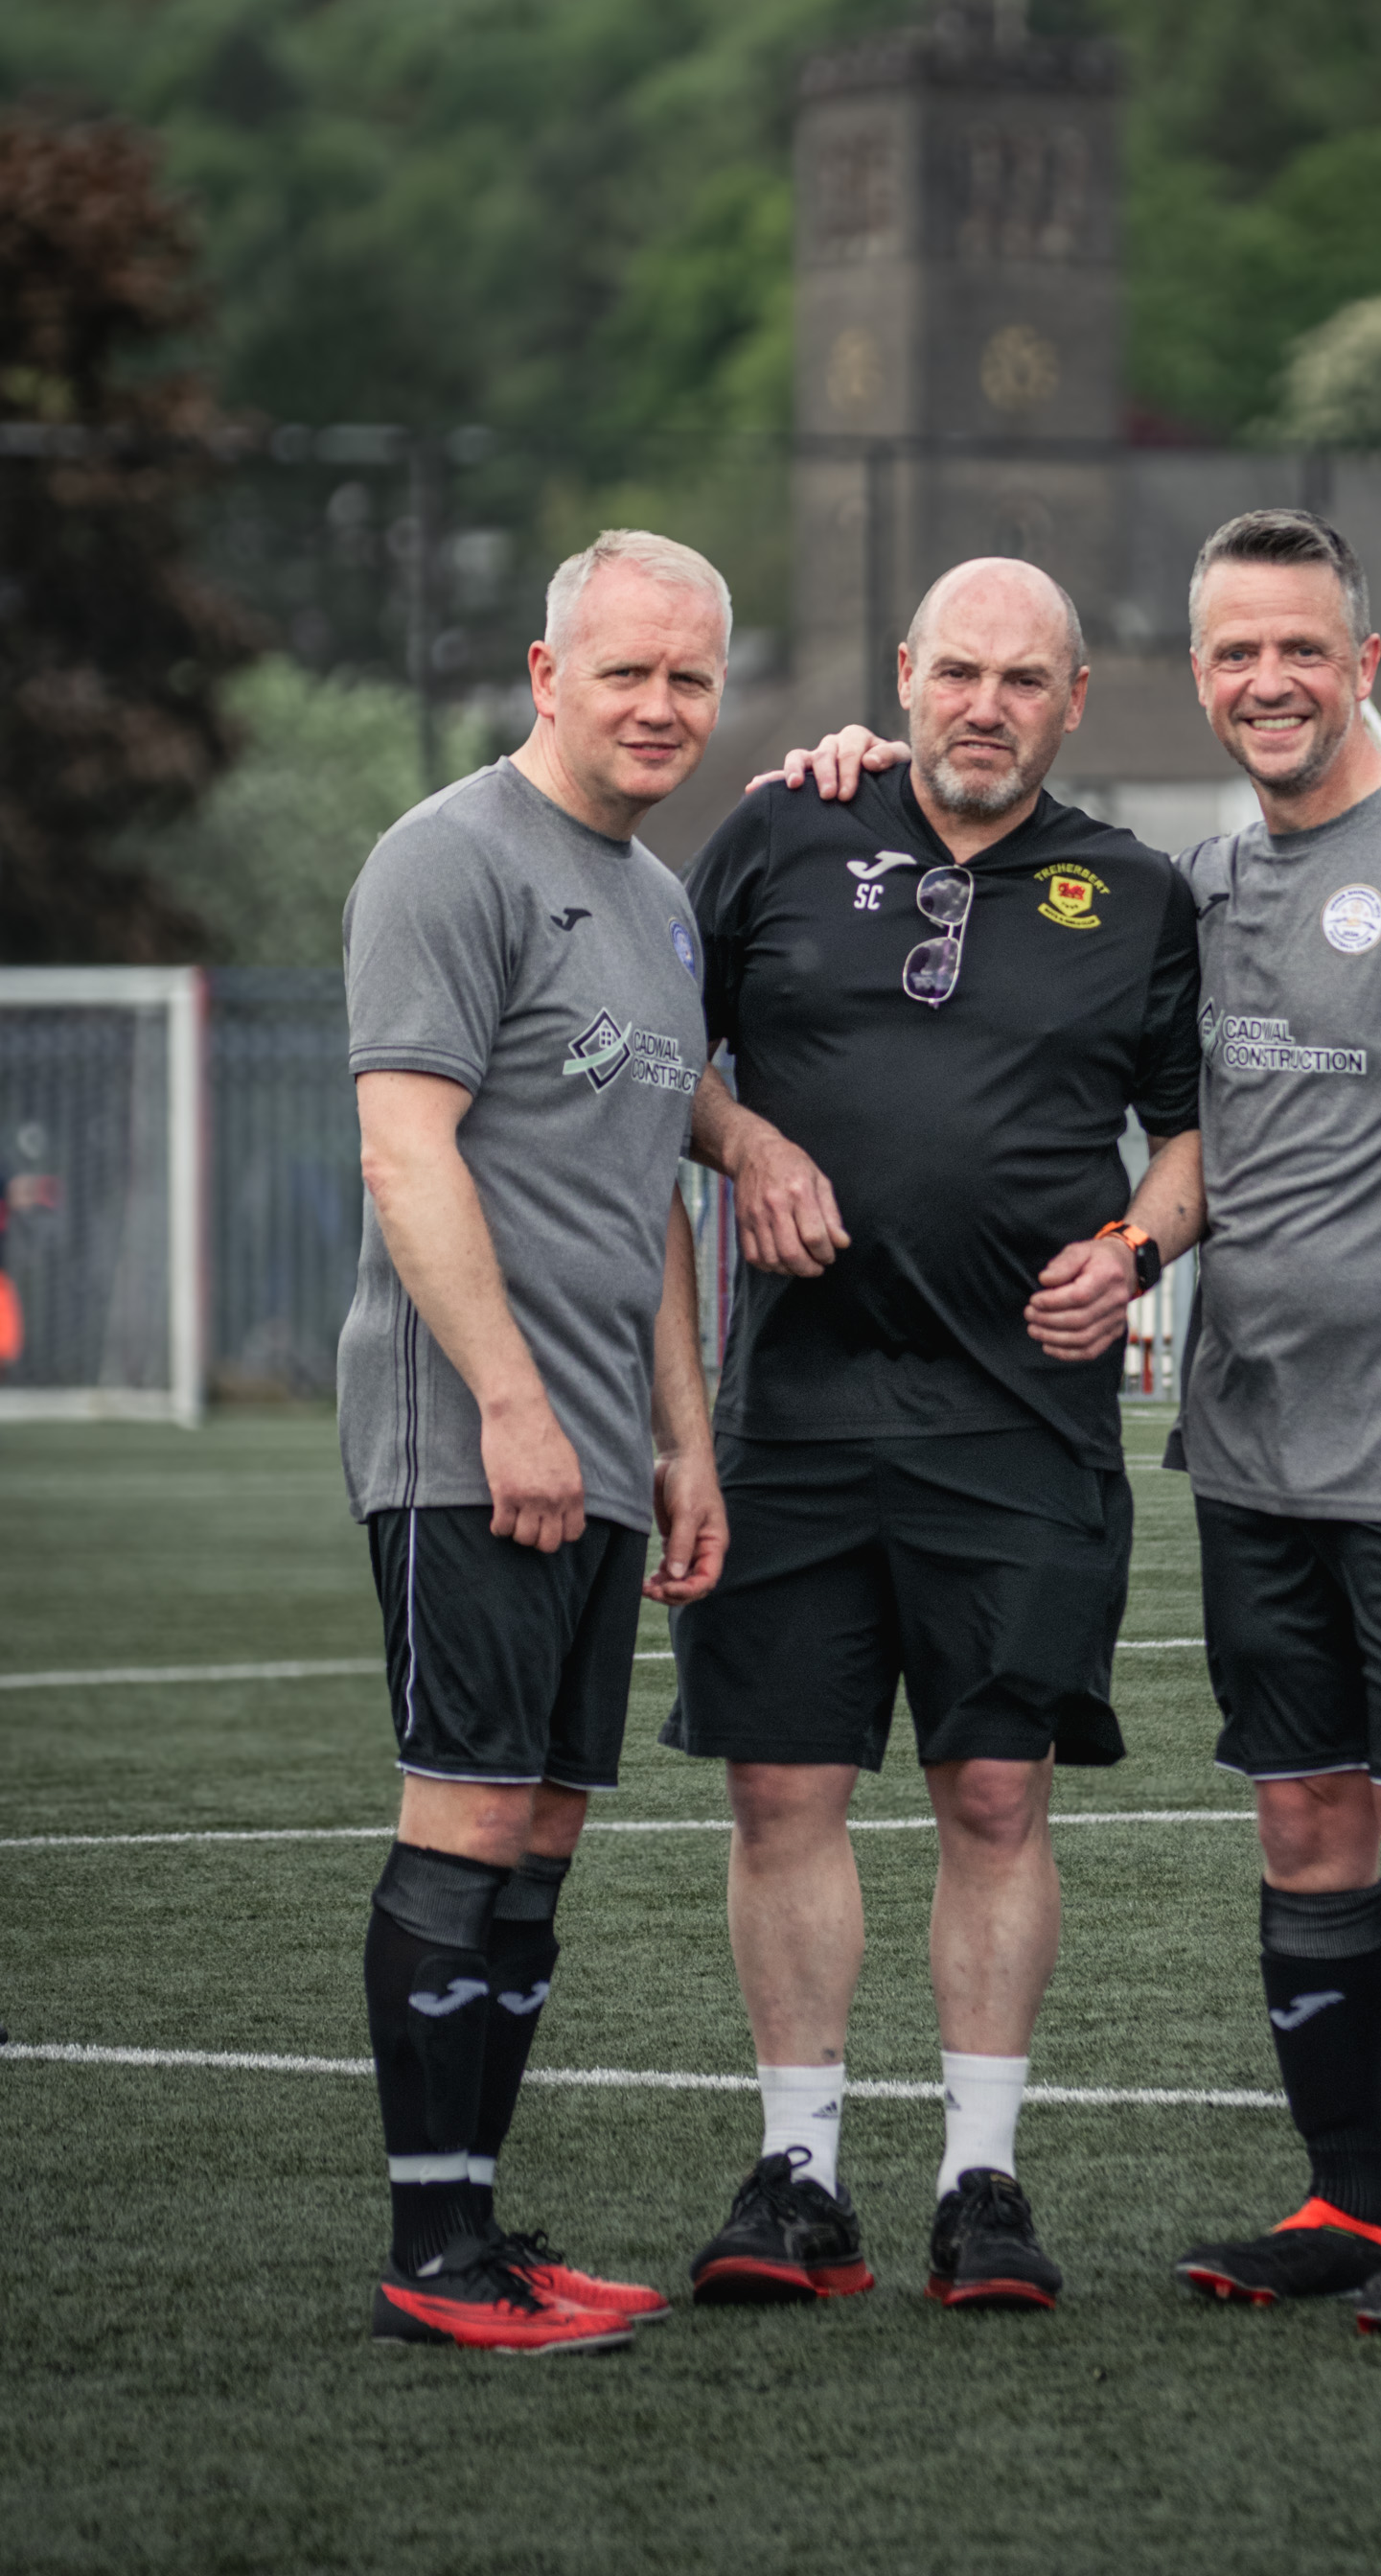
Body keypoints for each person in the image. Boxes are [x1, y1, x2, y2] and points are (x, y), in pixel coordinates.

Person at [763, 504, 1381, 2341]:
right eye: (1235, 652)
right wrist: (847, 771)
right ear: (1192, 672)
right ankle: (1342, 2199)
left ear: (1363, 662)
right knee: (1304, 1829)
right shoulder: (1202, 887)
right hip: (1247, 1448)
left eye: (1300, 650)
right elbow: (1189, 1146)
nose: (1266, 682)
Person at [668, 555, 1204, 2311]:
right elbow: (650, 1056)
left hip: (1021, 1422)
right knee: (781, 1790)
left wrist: (1133, 1250)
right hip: (797, 1416)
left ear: (1073, 699)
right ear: (902, 674)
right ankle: (799, 2177)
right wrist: (747, 1146)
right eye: (957, 671)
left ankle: (982, 2182)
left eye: (1024, 680)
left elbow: (1198, 1139)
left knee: (994, 1789)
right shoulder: (775, 833)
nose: (986, 705)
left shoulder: (1139, 893)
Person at [337, 528, 730, 2354]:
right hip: (466, 1434)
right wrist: (506, 1397)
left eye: (692, 679)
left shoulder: (655, 901)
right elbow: (405, 1153)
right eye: (629, 671)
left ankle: (482, 2226)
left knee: (546, 1834)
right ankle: (433, 2258)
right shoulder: (448, 857)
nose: (661, 706)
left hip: (595, 1456)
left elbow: (648, 1196)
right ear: (545, 670)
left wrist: (680, 1442)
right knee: (470, 1811)